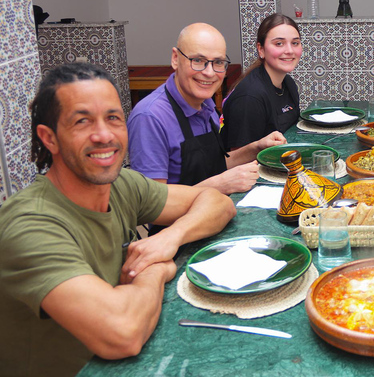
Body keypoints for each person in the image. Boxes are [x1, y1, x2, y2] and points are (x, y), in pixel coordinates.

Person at [0, 63, 236, 376]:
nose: (103, 135)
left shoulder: (121, 185)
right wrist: (154, 269)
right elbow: (123, 333)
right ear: (49, 138)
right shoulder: (28, 225)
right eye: (82, 121)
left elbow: (218, 203)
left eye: (113, 118)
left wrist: (170, 237)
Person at [127, 23, 286, 195]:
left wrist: (256, 147)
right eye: (198, 61)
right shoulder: (150, 117)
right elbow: (151, 204)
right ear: (175, 58)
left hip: (214, 210)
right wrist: (220, 185)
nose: (209, 72)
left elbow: (213, 165)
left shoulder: (206, 105)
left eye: (218, 62)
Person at [220, 13, 302, 151]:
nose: (289, 50)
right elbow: (238, 160)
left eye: (295, 43)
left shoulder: (288, 83)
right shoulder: (250, 96)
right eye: (279, 43)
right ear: (261, 49)